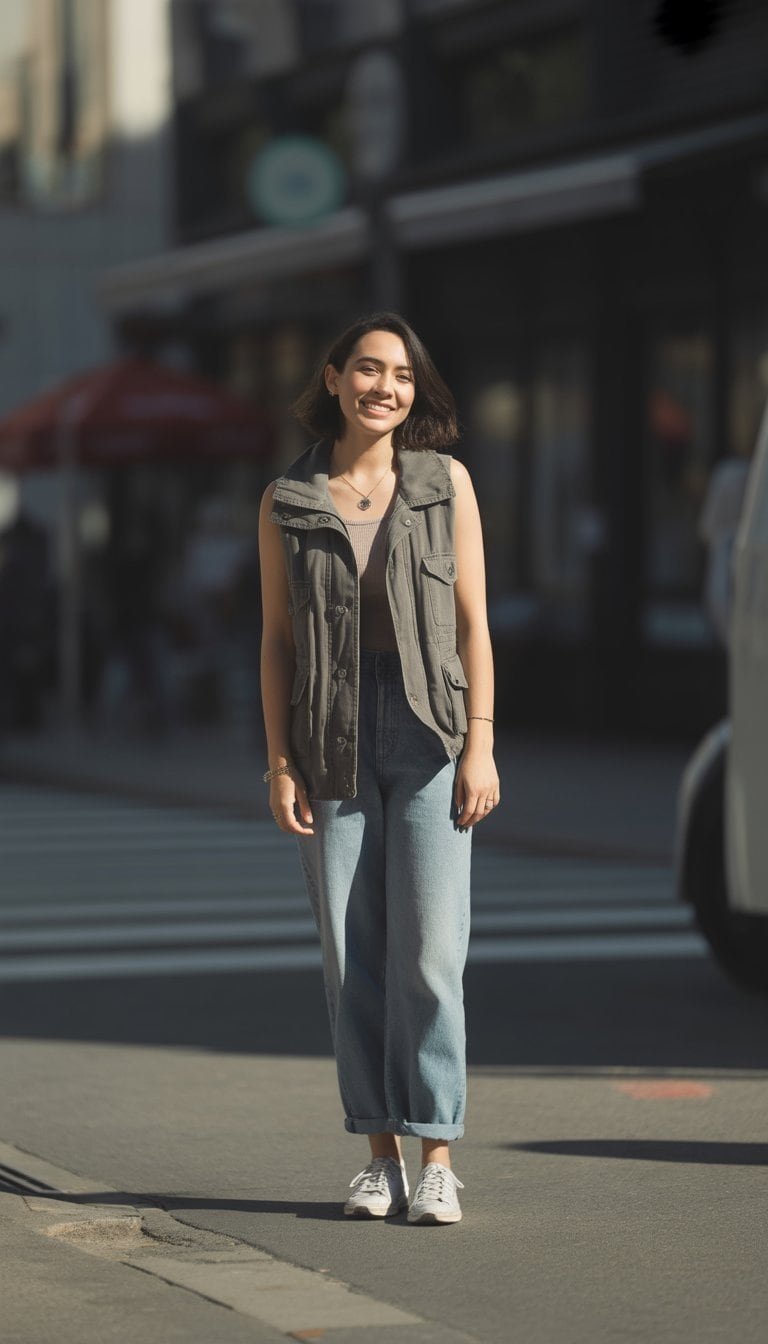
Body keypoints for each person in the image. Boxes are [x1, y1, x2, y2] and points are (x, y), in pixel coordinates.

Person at [258, 313, 499, 1225]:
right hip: (329, 734)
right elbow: (277, 642)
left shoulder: (445, 484)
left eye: (400, 374)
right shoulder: (287, 497)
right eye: (366, 369)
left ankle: (439, 1155)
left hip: (431, 730)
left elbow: (475, 621)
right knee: (353, 954)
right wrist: (279, 761)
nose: (384, 387)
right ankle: (379, 1154)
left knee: (432, 953)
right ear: (332, 378)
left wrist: (480, 740)